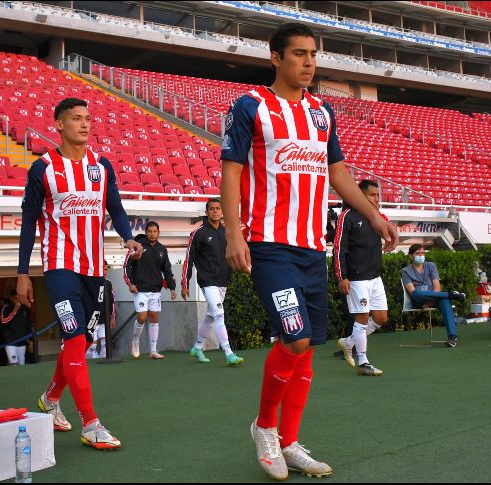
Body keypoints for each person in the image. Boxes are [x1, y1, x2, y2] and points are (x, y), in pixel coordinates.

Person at [220, 23, 398, 480]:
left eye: (313, 54)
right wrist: (235, 234)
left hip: (310, 249)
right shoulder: (251, 107)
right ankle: (264, 428)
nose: (308, 62)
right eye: (298, 54)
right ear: (276, 58)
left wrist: (375, 217)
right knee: (294, 337)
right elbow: (232, 172)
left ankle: (289, 440)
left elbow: (338, 174)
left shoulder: (322, 112)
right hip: (268, 245)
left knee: (308, 349)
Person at [17, 97, 143, 450]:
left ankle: (51, 398)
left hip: (93, 270)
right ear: (59, 124)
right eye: (76, 119)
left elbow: (116, 209)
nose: (85, 124)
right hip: (59, 267)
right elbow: (28, 223)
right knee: (74, 338)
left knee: (83, 341)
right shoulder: (42, 169)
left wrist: (128, 237)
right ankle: (91, 424)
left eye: (88, 118)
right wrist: (24, 272)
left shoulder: (102, 166)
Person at [334, 180, 389, 376]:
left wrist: (392, 237)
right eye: (372, 195)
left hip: (375, 277)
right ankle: (363, 361)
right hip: (357, 278)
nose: (376, 199)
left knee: (381, 318)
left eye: (378, 196)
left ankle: (348, 342)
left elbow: (389, 231)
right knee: (362, 318)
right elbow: (339, 249)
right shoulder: (347, 217)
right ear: (360, 196)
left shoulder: (377, 216)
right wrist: (342, 277)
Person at [181, 198, 244, 366]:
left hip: (223, 281)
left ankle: (197, 347)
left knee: (210, 316)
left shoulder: (227, 232)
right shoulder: (199, 233)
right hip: (207, 281)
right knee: (218, 314)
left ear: (222, 212)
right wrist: (184, 283)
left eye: (218, 208)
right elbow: (189, 259)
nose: (215, 211)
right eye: (212, 209)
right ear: (207, 212)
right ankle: (229, 353)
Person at [124, 221, 176, 359]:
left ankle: (153, 351)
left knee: (154, 318)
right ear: (146, 232)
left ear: (159, 233)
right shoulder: (138, 246)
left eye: (155, 231)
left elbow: (167, 270)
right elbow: (127, 266)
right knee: (141, 317)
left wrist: (172, 287)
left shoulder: (162, 249)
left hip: (155, 290)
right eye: (149, 231)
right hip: (140, 290)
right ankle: (135, 340)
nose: (152, 234)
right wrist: (130, 283)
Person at [402, 244, 466, 348]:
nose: (421, 255)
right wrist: (426, 299)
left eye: (422, 253)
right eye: (417, 253)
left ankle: (452, 337)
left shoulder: (431, 266)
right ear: (410, 256)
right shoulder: (405, 271)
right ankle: (451, 295)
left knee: (444, 301)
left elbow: (437, 286)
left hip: (434, 297)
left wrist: (431, 300)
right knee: (416, 293)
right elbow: (411, 291)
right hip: (419, 300)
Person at [87, 260, 116, 360]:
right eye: (103, 268)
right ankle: (90, 366)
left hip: (104, 318)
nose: (105, 271)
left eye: (106, 269)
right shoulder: (89, 282)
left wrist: (113, 317)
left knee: (105, 345)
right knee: (92, 346)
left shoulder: (108, 283)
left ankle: (104, 368)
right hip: (92, 319)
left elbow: (112, 301)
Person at [0, 289, 33, 366]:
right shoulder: (7, 308)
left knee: (22, 365)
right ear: (11, 298)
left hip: (22, 343)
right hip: (11, 342)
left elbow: (28, 325)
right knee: (14, 364)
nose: (18, 300)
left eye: (19, 298)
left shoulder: (25, 309)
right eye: (15, 298)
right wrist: (15, 310)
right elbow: (4, 321)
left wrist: (30, 341)